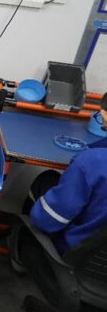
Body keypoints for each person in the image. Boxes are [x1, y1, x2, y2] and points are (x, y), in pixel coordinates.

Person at [22, 100, 107, 254]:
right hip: (99, 262)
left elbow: (46, 221)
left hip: (75, 255)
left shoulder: (91, 162)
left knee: (46, 181)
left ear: (103, 114)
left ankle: (24, 252)